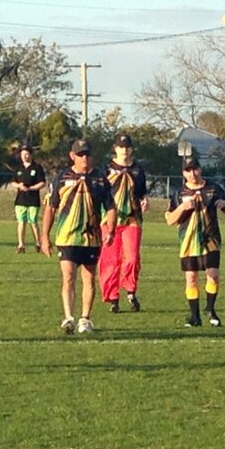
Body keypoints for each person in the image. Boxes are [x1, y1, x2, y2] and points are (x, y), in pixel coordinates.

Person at [41, 139, 117, 334]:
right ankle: (68, 317)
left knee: (89, 278)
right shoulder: (62, 177)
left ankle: (85, 318)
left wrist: (112, 229)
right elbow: (51, 207)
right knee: (68, 276)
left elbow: (110, 207)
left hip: (91, 237)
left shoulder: (100, 179)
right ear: (72, 155)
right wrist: (44, 236)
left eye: (87, 154)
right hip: (67, 236)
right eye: (81, 154)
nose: (85, 158)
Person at [165, 156, 225, 327]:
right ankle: (194, 316)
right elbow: (170, 220)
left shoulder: (213, 188)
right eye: (188, 170)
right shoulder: (178, 193)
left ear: (200, 169)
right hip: (188, 241)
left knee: (213, 275)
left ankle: (210, 309)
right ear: (183, 173)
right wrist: (182, 207)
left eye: (195, 169)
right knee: (191, 278)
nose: (192, 173)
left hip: (211, 238)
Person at [99, 133, 148, 313]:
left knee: (132, 257)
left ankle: (130, 290)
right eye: (121, 147)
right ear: (115, 148)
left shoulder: (138, 170)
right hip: (109, 219)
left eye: (127, 147)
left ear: (131, 149)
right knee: (111, 261)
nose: (124, 150)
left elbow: (142, 191)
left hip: (132, 218)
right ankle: (112, 297)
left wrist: (145, 200)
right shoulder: (107, 168)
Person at [10, 143, 47, 253]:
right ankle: (21, 244)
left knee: (33, 222)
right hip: (20, 200)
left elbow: (42, 183)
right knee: (21, 222)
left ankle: (37, 243)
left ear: (31, 155)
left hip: (33, 200)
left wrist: (31, 188)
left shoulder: (37, 168)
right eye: (23, 154)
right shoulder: (18, 168)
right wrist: (19, 186)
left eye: (27, 154)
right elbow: (13, 182)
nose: (24, 156)